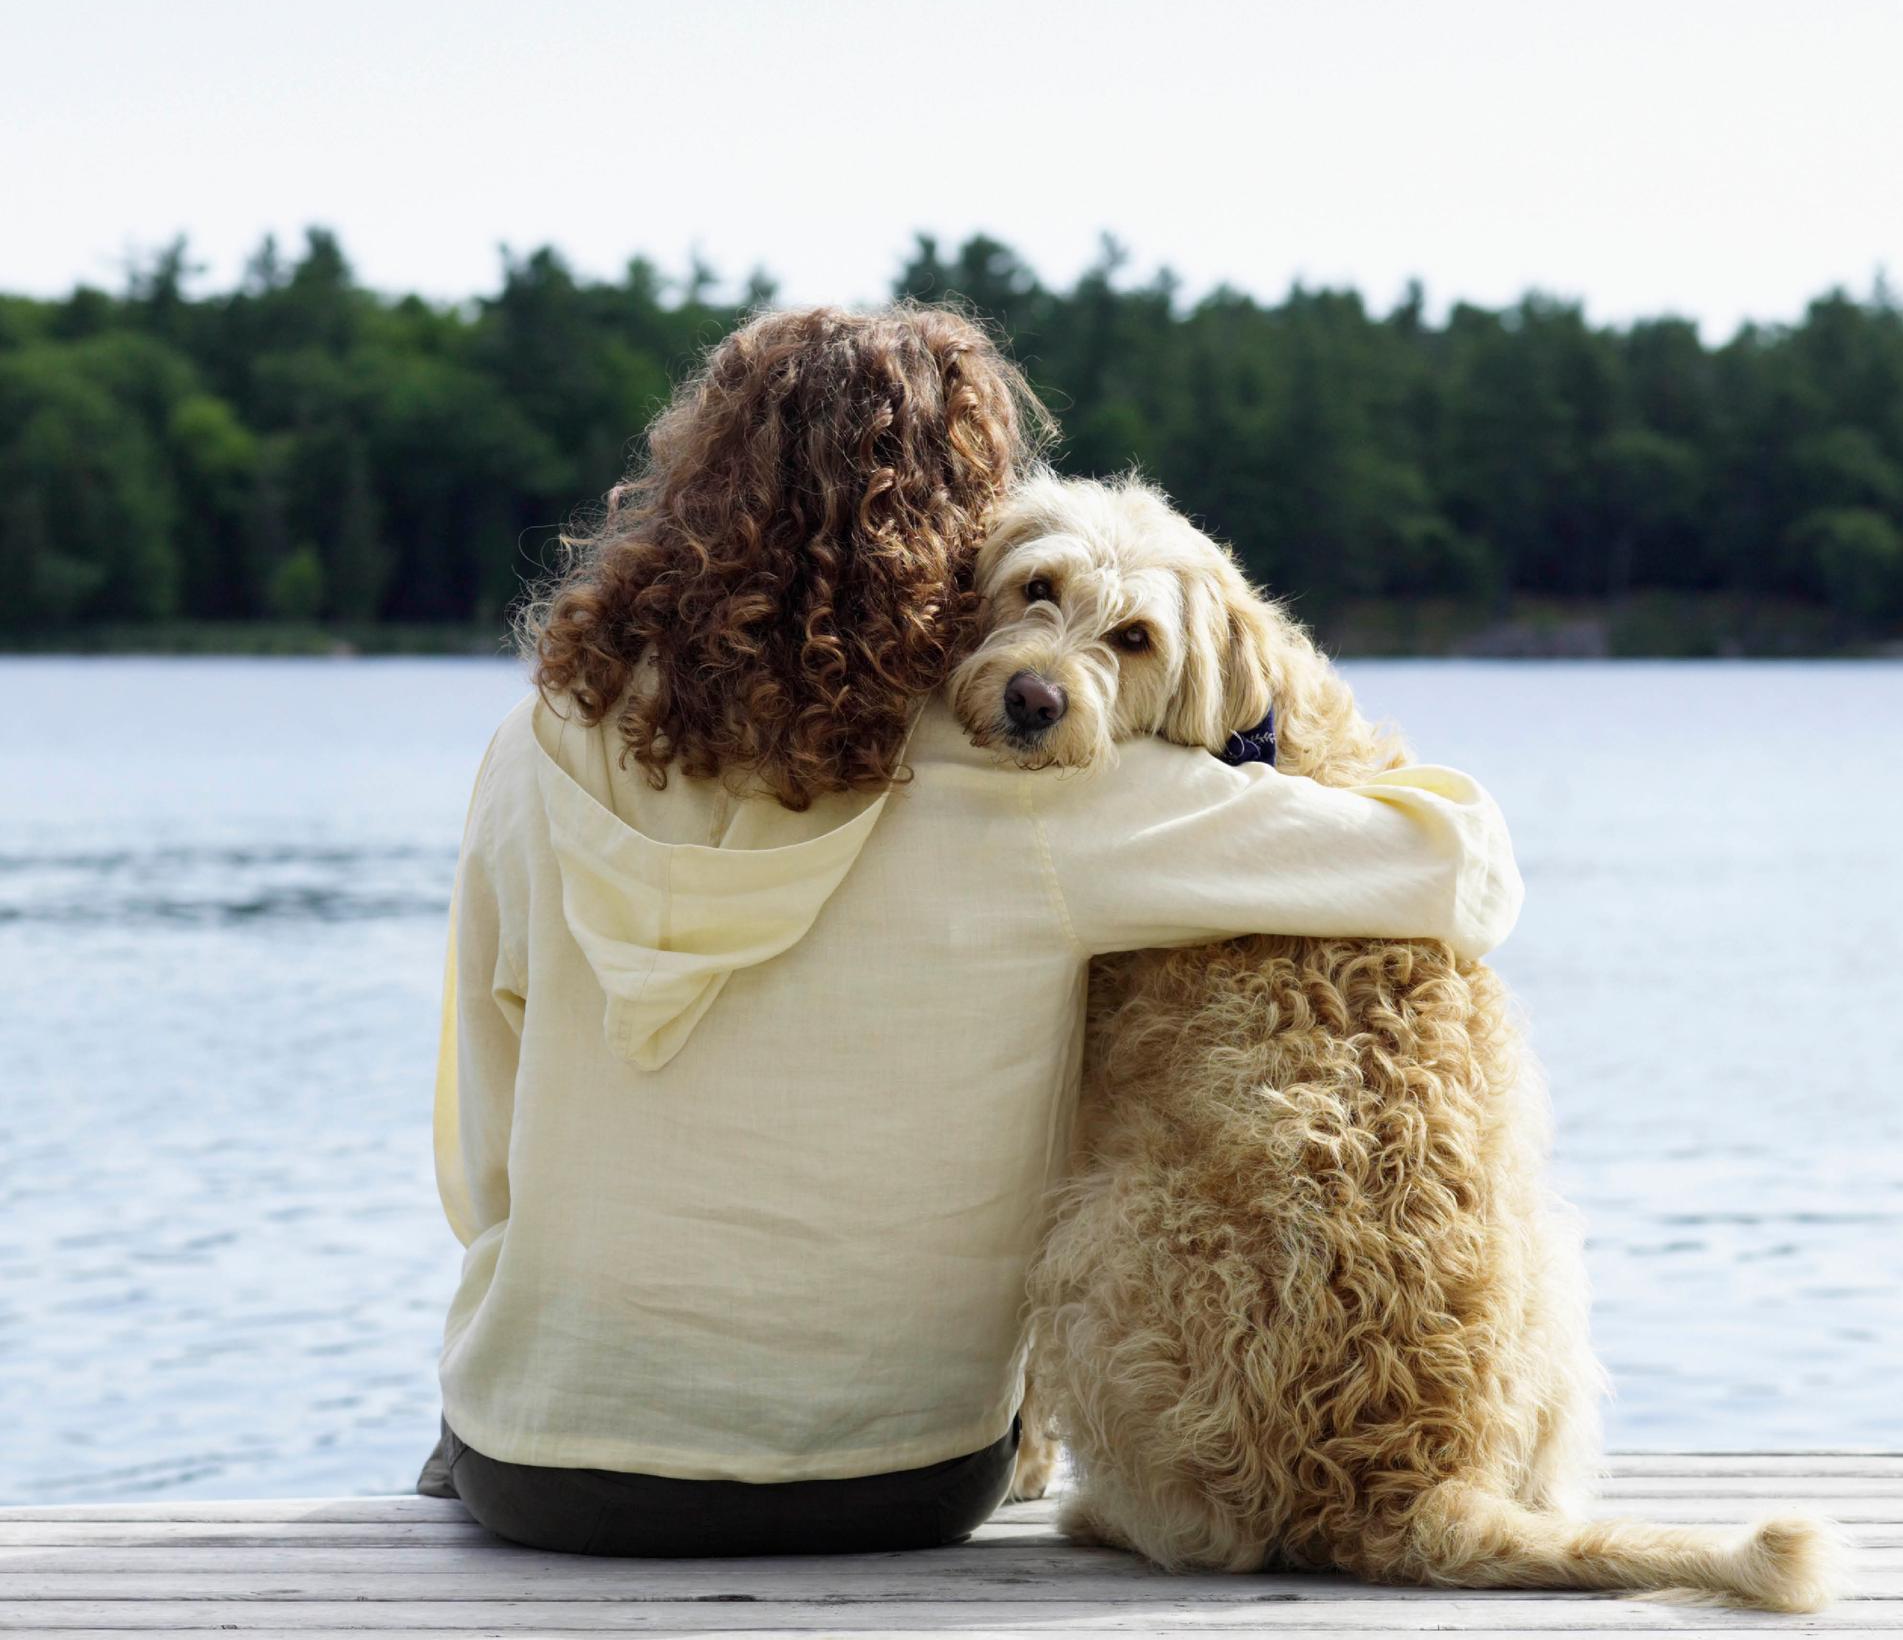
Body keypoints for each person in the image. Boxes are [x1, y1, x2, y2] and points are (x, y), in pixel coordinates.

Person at [423, 303, 1523, 1557]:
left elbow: (481, 1156)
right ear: (957, 534)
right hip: (895, 1476)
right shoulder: (1043, 790)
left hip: (542, 1469)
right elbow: (1461, 872)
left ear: (687, 487)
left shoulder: (533, 747)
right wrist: (1269, 721)